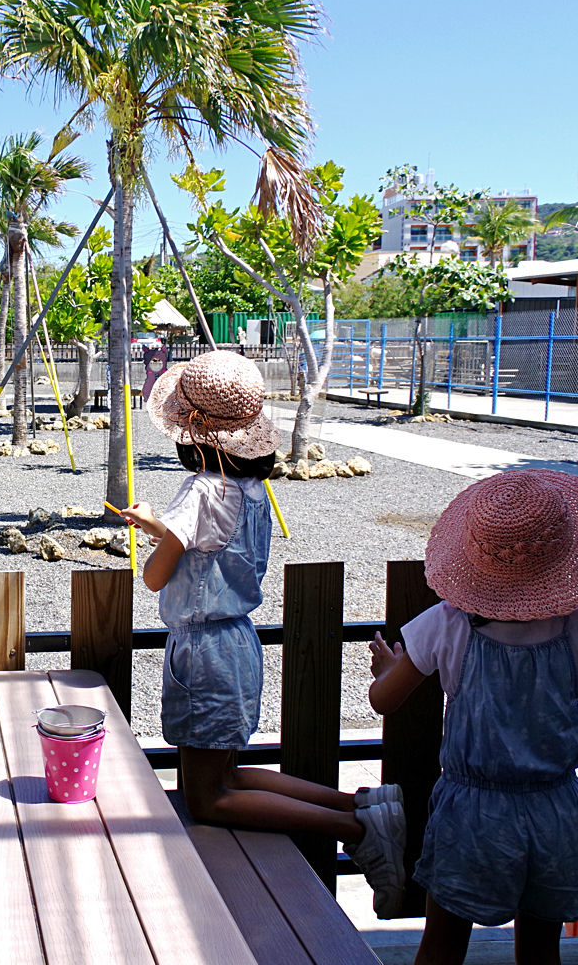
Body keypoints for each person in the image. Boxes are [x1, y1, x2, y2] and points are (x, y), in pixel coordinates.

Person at [117, 350, 407, 916]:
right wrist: (163, 527)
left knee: (206, 796)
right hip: (237, 643)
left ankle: (355, 830)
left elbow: (156, 576)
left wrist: (157, 536)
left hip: (202, 652)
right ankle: (365, 804)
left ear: (194, 430)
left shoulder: (201, 490)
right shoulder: (249, 491)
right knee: (225, 769)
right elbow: (208, 545)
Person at [367, 469, 578, 965]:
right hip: (555, 811)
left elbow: (385, 702)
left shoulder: (446, 623)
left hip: (472, 813)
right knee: (538, 951)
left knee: (442, 946)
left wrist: (388, 668)